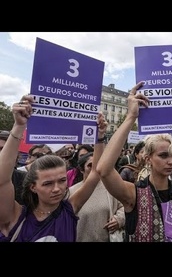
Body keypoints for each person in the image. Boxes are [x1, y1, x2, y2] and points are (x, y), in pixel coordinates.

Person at [0, 95, 107, 242]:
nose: (57, 189)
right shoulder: (16, 217)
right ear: (33, 187)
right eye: (47, 183)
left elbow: (95, 172)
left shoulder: (69, 208)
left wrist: (99, 137)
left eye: (62, 180)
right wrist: (19, 127)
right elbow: (2, 181)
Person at [96, 81, 172, 242]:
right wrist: (131, 116)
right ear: (148, 159)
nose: (170, 161)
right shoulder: (133, 193)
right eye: (163, 155)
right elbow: (104, 170)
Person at [69, 152, 125, 242]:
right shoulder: (71, 192)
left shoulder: (110, 187)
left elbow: (124, 206)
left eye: (97, 165)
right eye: (90, 165)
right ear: (81, 169)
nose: (94, 169)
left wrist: (119, 219)